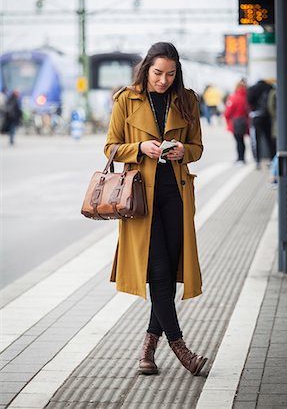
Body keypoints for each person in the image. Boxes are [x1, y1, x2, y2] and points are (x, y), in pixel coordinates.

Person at [104, 42, 207, 376]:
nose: (163, 80)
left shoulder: (187, 100)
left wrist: (182, 151)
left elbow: (198, 147)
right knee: (159, 272)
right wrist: (139, 148)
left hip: (176, 196)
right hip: (139, 200)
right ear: (146, 68)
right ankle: (181, 348)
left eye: (170, 74)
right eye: (158, 73)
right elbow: (110, 147)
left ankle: (147, 348)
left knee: (167, 275)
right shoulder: (126, 99)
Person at [247, 79, 274, 169]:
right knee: (268, 138)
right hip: (267, 116)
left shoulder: (253, 89)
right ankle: (271, 160)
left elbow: (249, 101)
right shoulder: (269, 88)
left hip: (256, 117)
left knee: (256, 139)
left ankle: (258, 161)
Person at [224, 79, 249, 164]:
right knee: (241, 140)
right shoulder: (246, 97)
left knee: (238, 141)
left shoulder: (234, 97)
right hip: (244, 121)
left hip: (236, 122)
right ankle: (242, 158)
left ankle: (240, 158)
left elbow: (228, 112)